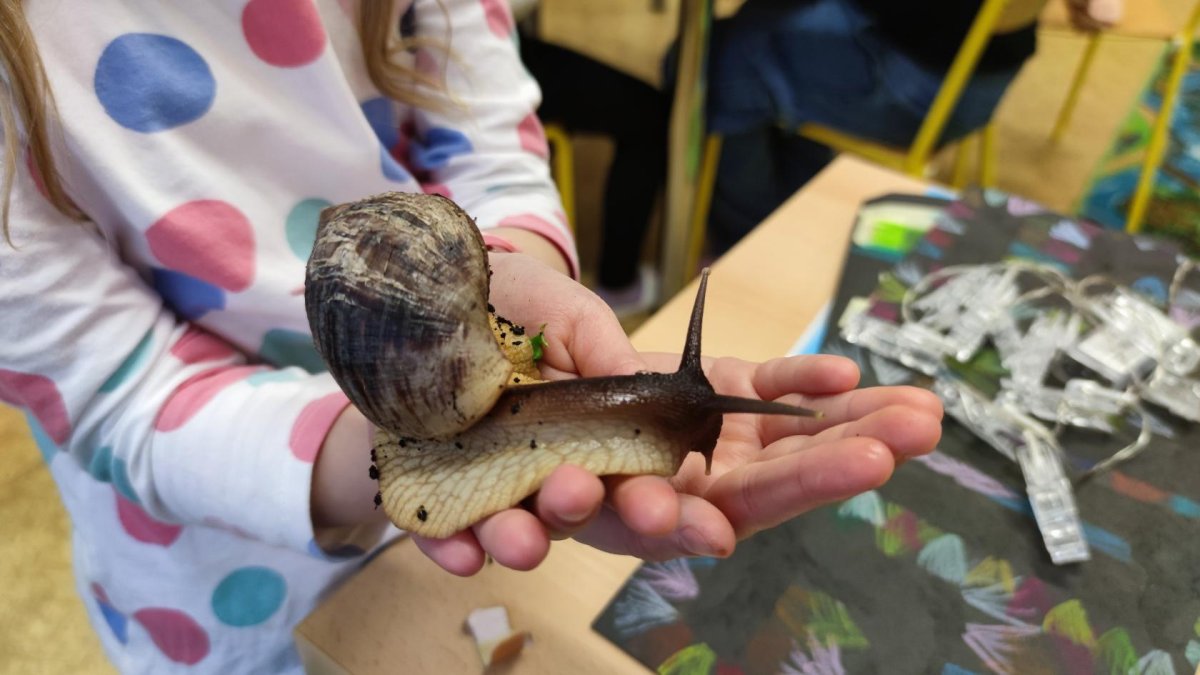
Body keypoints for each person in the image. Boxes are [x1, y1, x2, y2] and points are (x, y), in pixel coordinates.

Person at [0, 0, 941, 672]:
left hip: (441, 544)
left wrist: (521, 272)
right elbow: (118, 391)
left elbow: (490, 138)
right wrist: (365, 443)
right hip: (208, 585)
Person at [702, 0, 1115, 254]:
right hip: (981, 74)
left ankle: (748, 237)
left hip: (924, 89)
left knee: (723, 59)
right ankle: (790, 204)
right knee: (762, 31)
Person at [514, 5, 670, 315]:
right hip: (472, 68)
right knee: (650, 115)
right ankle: (619, 283)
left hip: (485, 55)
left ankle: (614, 285)